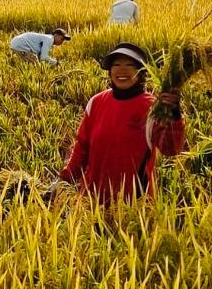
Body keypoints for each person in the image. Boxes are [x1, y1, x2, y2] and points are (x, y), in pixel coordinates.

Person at [57, 42, 186, 202]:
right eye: (116, 64)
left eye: (130, 65)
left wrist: (174, 114)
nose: (122, 70)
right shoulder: (96, 102)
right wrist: (63, 180)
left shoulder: (151, 108)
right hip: (91, 201)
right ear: (110, 71)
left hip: (133, 206)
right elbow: (81, 149)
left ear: (141, 72)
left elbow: (171, 148)